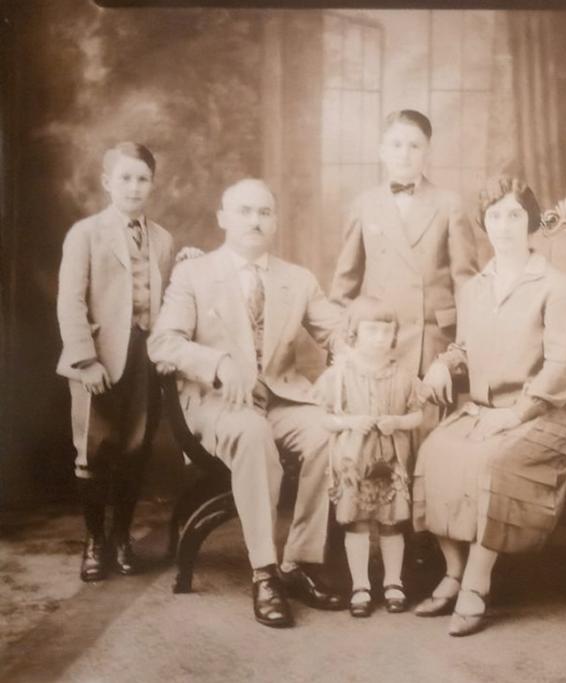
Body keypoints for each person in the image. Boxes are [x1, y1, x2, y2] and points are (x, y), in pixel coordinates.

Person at [148, 178, 346, 628]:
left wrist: (346, 362)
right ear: (223, 218)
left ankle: (300, 562)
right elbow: (162, 344)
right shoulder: (193, 274)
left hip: (281, 398)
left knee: (326, 433)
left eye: (264, 212)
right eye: (244, 211)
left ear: (275, 222)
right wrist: (215, 361)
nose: (255, 221)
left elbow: (338, 332)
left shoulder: (297, 280)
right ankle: (264, 572)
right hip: (218, 404)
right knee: (254, 434)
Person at [413, 176, 566, 637]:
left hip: (544, 414)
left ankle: (476, 583)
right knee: (434, 452)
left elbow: (562, 367)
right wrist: (442, 365)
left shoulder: (556, 286)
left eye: (513, 215)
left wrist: (517, 413)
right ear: (483, 223)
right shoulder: (477, 288)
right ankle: (452, 572)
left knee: (491, 462)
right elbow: (466, 347)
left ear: (530, 221)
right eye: (494, 216)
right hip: (484, 410)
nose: (504, 225)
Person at [56, 142, 175, 583]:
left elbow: (167, 296)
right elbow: (69, 300)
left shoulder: (162, 238)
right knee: (94, 451)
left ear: (153, 184)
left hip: (145, 358)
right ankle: (94, 539)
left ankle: (122, 535)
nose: (134, 186)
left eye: (142, 178)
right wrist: (85, 360)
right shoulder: (86, 233)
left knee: (135, 449)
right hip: (99, 359)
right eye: (124, 178)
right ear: (107, 182)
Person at [330, 109, 477, 379]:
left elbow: (467, 287)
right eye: (396, 145)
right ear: (381, 151)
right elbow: (343, 289)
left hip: (433, 342)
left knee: (425, 418)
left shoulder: (449, 205)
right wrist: (342, 345)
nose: (404, 154)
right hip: (378, 341)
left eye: (414, 146)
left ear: (427, 152)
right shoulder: (365, 205)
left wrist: (460, 351)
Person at [317, 296, 425, 617]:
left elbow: (417, 415)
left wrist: (399, 423)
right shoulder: (340, 377)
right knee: (358, 524)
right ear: (354, 332)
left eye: (386, 331)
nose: (380, 338)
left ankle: (393, 583)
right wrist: (350, 422)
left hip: (390, 463)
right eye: (372, 330)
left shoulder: (403, 375)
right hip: (355, 464)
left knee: (391, 523)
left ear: (395, 335)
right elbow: (323, 418)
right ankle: (360, 586)